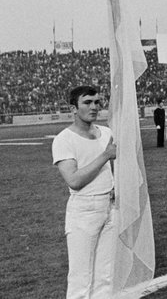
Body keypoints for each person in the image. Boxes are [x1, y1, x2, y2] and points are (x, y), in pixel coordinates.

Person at [51, 85, 116, 299]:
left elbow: (111, 171)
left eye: (97, 102)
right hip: (83, 209)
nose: (94, 107)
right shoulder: (64, 139)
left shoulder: (106, 132)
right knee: (80, 280)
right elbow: (74, 180)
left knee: (105, 278)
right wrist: (106, 155)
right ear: (73, 108)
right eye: (87, 102)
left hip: (109, 206)